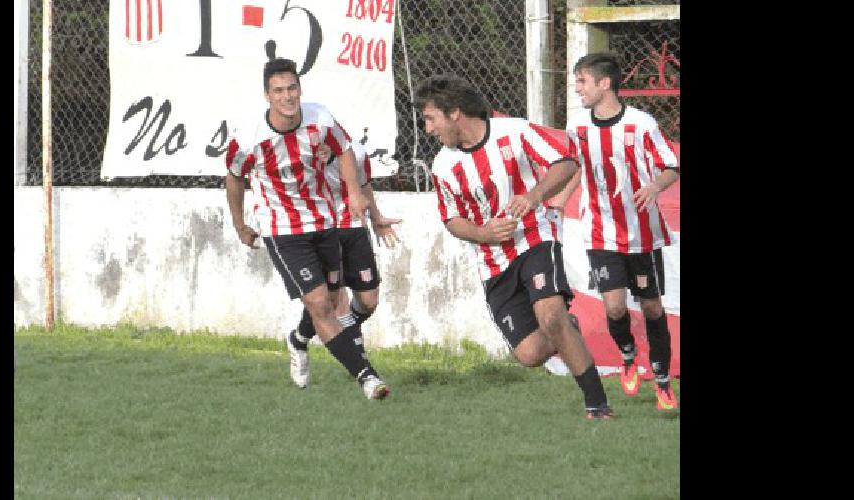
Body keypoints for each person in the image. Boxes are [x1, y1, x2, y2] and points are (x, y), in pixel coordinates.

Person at [415, 74, 613, 420]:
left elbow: (566, 161)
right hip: (493, 262)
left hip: (536, 236)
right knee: (529, 354)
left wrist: (536, 195)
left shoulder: (514, 132)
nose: (428, 129)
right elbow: (451, 219)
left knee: (551, 317)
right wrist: (484, 233)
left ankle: (597, 405)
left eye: (431, 118)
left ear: (454, 113)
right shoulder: (443, 165)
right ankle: (568, 328)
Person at [223, 58, 391, 400]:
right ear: (267, 96)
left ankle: (298, 339)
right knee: (319, 303)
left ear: (300, 89)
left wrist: (356, 194)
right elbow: (234, 176)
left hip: (323, 220)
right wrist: (240, 223)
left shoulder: (320, 118)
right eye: (279, 91)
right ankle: (368, 378)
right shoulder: (249, 138)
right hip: (282, 228)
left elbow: (344, 149)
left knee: (330, 300)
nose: (287, 97)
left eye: (292, 88)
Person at [566, 53, 680, 411]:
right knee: (614, 308)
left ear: (605, 83)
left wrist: (654, 187)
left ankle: (662, 381)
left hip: (641, 234)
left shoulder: (640, 124)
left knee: (650, 306)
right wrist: (557, 202)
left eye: (582, 81)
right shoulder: (577, 125)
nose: (577, 88)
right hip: (599, 232)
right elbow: (572, 168)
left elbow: (671, 166)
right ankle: (629, 357)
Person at [284, 139, 401, 389]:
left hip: (354, 226)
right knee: (335, 300)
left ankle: (300, 337)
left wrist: (377, 217)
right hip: (323, 230)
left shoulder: (355, 153)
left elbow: (363, 185)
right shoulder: (299, 156)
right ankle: (363, 369)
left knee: (369, 301)